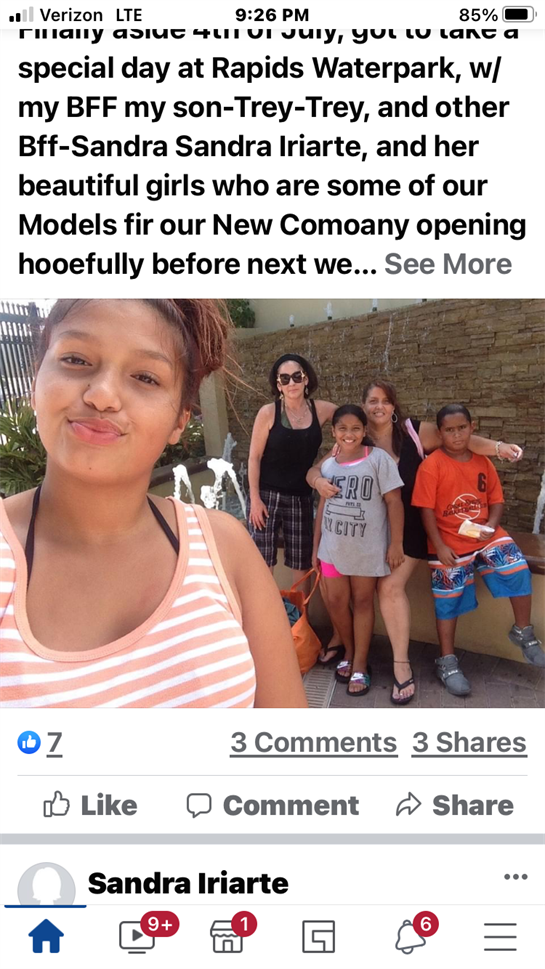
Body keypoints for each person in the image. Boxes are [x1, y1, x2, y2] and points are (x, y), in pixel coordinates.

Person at [0, 299, 307, 709]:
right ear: (37, 379)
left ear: (181, 419)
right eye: (76, 359)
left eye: (145, 377)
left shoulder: (226, 549)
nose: (102, 395)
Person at [307, 378, 524, 704]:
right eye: (372, 401)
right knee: (349, 591)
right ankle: (344, 641)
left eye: (385, 400)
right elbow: (317, 470)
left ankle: (401, 665)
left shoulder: (412, 432)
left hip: (408, 529)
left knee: (388, 589)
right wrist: (320, 480)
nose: (378, 406)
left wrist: (498, 447)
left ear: (394, 406)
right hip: (368, 532)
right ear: (364, 407)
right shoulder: (353, 436)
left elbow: (461, 438)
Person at [412, 403, 544, 695]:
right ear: (440, 433)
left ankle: (523, 632)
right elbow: (426, 511)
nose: (456, 435)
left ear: (472, 429)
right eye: (449, 430)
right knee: (448, 596)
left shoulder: (483, 463)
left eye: (462, 428)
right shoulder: (431, 465)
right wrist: (440, 545)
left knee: (516, 565)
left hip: (485, 533)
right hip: (447, 540)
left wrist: (490, 528)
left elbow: (496, 501)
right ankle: (447, 661)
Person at [312, 405, 405, 697]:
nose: (349, 434)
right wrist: (316, 546)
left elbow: (394, 503)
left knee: (363, 603)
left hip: (367, 550)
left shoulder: (378, 460)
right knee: (337, 602)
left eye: (355, 429)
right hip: (332, 549)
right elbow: (322, 508)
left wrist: (396, 543)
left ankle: (361, 664)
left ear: (364, 431)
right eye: (342, 429)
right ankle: (350, 652)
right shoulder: (328, 466)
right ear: (334, 432)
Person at [247, 353, 336, 583]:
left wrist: (326, 460)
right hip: (266, 496)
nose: (292, 383)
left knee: (301, 563)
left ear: (306, 379)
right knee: (261, 561)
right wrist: (255, 500)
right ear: (278, 385)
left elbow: (353, 423)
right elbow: (254, 458)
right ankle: (267, 616)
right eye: (284, 379)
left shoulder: (322, 410)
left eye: (297, 376)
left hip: (301, 497)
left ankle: (299, 616)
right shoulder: (268, 412)